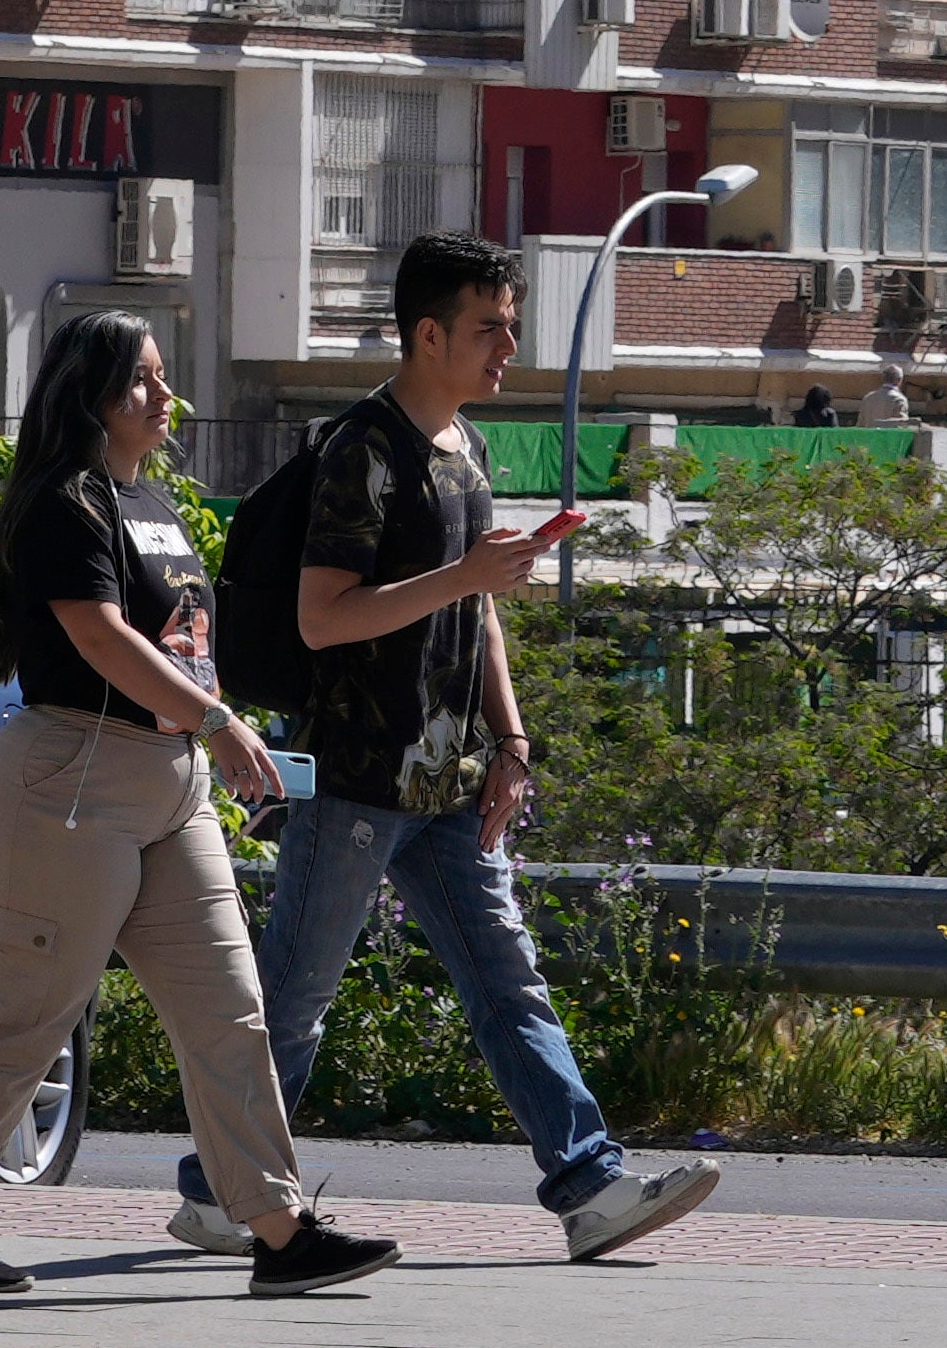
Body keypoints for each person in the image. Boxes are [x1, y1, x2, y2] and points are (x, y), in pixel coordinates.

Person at [176, 229, 724, 1267]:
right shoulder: (361, 451)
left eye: (511, 325)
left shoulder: (465, 447)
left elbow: (481, 615)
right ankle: (217, 1190)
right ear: (426, 332)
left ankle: (590, 1183)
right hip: (356, 778)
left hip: (452, 783)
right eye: (488, 327)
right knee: (295, 1000)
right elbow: (323, 618)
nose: (507, 346)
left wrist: (511, 739)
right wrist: (468, 575)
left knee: (508, 982)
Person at [0, 312, 398, 1305]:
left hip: (168, 784)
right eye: (143, 383)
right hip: (68, 782)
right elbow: (99, 635)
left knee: (229, 1005)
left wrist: (210, 740)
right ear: (92, 395)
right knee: (28, 1010)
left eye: (165, 378)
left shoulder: (146, 497)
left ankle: (278, 1227)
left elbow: (180, 640)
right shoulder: (62, 502)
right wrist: (212, 718)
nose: (166, 397)